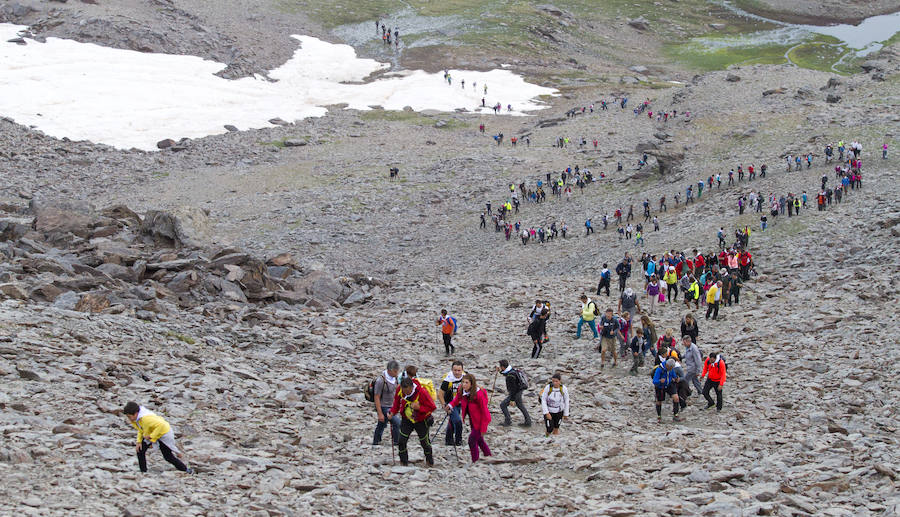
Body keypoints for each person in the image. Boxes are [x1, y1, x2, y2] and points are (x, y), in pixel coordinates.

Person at [123, 402, 192, 473]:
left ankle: (186, 470)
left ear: (136, 413)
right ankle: (143, 471)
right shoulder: (137, 419)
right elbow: (141, 430)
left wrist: (151, 436)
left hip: (164, 434)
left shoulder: (146, 418)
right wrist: (139, 441)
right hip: (150, 433)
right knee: (140, 450)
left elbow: (161, 426)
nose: (129, 419)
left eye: (129, 416)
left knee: (168, 456)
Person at [390, 377, 436, 466]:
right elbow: (396, 402)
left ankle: (429, 461)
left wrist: (419, 408)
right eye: (404, 391)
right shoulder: (399, 390)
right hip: (406, 419)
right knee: (401, 440)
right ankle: (403, 462)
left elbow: (432, 407)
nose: (406, 393)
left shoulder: (422, 392)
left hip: (421, 420)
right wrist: (392, 413)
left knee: (424, 442)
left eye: (408, 391)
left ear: (412, 387)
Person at [446, 373, 492, 463]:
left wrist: (483, 428)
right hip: (472, 419)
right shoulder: (461, 390)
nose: (464, 384)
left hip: (480, 421)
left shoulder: (479, 394)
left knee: (472, 440)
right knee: (479, 439)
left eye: (466, 382)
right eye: (463, 382)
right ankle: (488, 455)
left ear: (472, 384)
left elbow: (485, 413)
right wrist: (450, 405)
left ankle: (475, 460)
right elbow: (457, 399)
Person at [373, 361, 401, 446]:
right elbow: (376, 397)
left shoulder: (395, 379)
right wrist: (380, 413)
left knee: (382, 424)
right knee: (396, 422)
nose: (397, 373)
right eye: (395, 371)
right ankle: (396, 442)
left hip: (392, 405)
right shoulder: (381, 381)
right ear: (390, 370)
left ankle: (376, 441)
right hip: (383, 406)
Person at [439, 361, 465, 446]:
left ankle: (448, 440)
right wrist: (444, 405)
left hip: (460, 402)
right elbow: (440, 394)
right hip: (450, 403)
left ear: (462, 370)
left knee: (452, 420)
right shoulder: (447, 380)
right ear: (452, 370)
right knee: (457, 421)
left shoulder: (465, 377)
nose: (457, 372)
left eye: (459, 370)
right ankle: (458, 441)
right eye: (455, 370)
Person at [498, 360, 532, 427]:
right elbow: (505, 373)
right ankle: (528, 422)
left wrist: (512, 399)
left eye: (500, 367)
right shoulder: (511, 370)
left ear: (503, 367)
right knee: (520, 405)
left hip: (516, 392)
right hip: (520, 390)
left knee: (503, 405)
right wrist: (500, 371)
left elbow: (513, 389)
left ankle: (508, 421)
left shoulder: (510, 376)